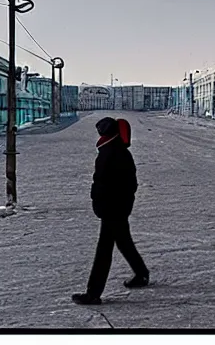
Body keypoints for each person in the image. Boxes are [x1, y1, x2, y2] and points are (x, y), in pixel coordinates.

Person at [72, 117, 149, 305]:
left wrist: (100, 204)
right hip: (119, 207)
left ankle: (93, 293)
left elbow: (102, 183)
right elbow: (129, 184)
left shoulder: (110, 152)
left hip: (112, 208)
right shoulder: (117, 150)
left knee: (104, 250)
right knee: (123, 242)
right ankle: (141, 274)